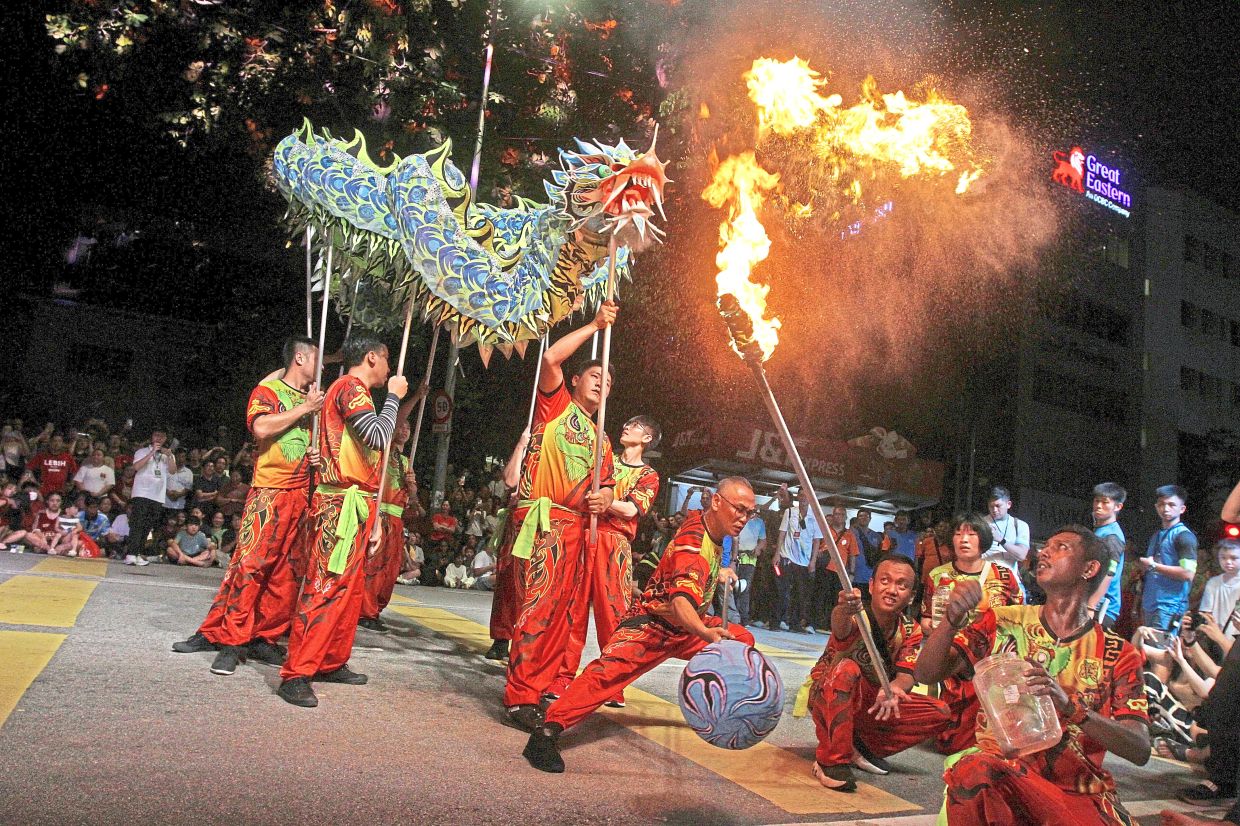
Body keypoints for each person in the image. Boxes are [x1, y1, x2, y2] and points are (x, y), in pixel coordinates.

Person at [916, 525, 1151, 825]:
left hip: (1076, 792)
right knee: (975, 768)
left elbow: (1140, 748)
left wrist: (1072, 709)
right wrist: (950, 622)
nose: (1044, 552)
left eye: (1061, 547)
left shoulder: (1119, 653)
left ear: (1089, 568)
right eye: (1046, 546)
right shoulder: (1002, 622)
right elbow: (926, 672)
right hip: (1005, 779)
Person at [522, 477, 757, 773]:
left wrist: (721, 570)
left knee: (741, 640)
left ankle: (714, 706)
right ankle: (545, 733)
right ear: (717, 502)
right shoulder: (692, 545)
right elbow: (681, 604)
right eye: (739, 509)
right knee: (604, 677)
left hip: (685, 628)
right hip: (653, 626)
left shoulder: (712, 527)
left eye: (750, 512)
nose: (744, 518)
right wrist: (706, 633)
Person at [173, 337, 327, 677]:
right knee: (250, 567)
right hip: (269, 493)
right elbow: (260, 428)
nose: (323, 366)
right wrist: (304, 409)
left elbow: (310, 444)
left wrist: (315, 454)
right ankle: (231, 640)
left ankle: (264, 636)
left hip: (302, 495)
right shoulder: (270, 393)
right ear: (300, 357)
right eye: (318, 358)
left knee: (287, 574)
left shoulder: (314, 400)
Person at [502, 303, 617, 731]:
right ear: (575, 382)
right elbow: (549, 358)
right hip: (543, 523)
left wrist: (604, 498)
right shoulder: (554, 409)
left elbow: (606, 483)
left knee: (562, 617)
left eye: (607, 381)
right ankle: (520, 697)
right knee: (537, 611)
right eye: (594, 375)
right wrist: (594, 325)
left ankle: (541, 686)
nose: (601, 383)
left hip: (576, 531)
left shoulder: (601, 438)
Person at [276, 333, 408, 707]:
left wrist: (377, 517)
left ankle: (331, 660)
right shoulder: (350, 387)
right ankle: (296, 673)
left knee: (349, 591)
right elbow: (379, 435)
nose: (389, 368)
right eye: (386, 360)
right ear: (371, 358)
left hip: (361, 504)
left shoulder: (354, 391)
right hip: (340, 507)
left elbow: (372, 461)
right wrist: (395, 395)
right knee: (326, 584)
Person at [808, 555, 955, 791]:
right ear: (872, 585)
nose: (892, 590)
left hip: (875, 699)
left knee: (939, 712)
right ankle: (830, 760)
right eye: (885, 581)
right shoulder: (856, 614)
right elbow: (841, 628)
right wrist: (843, 609)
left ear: (911, 596)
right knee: (847, 669)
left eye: (902, 585)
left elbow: (908, 674)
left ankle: (859, 745)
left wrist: (895, 688)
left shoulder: (911, 629)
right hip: (831, 693)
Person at [550, 414, 660, 704]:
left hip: (614, 544)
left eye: (635, 426)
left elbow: (632, 510)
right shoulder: (604, 458)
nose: (626, 426)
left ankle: (612, 683)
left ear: (647, 439)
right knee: (573, 609)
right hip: (586, 535)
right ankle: (562, 678)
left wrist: (606, 502)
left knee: (612, 614)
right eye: (626, 424)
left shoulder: (648, 475)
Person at [919, 513, 1024, 754]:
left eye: (971, 533)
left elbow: (1019, 619)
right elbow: (926, 617)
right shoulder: (938, 576)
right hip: (953, 660)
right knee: (951, 741)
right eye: (958, 533)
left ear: (983, 539)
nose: (964, 539)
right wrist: (937, 627)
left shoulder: (1005, 576)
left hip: (992, 661)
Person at [359, 411, 421, 632]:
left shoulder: (406, 461)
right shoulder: (383, 452)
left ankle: (375, 608)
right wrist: (416, 397)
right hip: (381, 514)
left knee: (391, 569)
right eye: (400, 426)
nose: (404, 430)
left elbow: (413, 501)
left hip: (397, 520)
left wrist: (412, 487)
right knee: (374, 564)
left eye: (408, 428)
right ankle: (366, 611)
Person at [484, 431, 531, 662]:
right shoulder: (528, 453)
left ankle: (528, 643)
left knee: (533, 588)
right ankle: (501, 638)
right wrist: (521, 446)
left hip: (545, 525)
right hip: (517, 524)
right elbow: (510, 481)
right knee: (507, 584)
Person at [1141, 485, 1198, 631]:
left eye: (1171, 505)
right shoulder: (1157, 535)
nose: (1165, 509)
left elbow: (1188, 573)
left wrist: (1154, 566)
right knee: (1147, 652)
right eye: (1161, 504)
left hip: (1170, 607)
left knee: (1161, 651)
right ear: (1156, 507)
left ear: (1182, 509)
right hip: (1150, 604)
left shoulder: (1184, 536)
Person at [124, 428, 175, 567]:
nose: (159, 438)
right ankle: (130, 554)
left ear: (165, 439)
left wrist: (170, 456)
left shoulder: (167, 454)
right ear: (152, 437)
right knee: (137, 524)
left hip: (157, 495)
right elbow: (136, 467)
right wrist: (152, 452)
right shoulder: (141, 451)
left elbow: (172, 470)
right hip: (142, 493)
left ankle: (138, 553)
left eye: (162, 436)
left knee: (148, 526)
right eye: (156, 435)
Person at [775, 489, 822, 633]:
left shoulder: (816, 517)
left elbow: (816, 541)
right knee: (782, 591)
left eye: (807, 496)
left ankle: (794, 623)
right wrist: (777, 554)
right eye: (801, 495)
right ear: (798, 497)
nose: (804, 498)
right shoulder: (790, 513)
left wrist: (813, 561)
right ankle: (776, 621)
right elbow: (782, 534)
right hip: (787, 556)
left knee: (799, 594)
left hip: (804, 561)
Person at [1089, 482, 1127, 628]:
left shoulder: (1112, 536)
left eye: (1105, 502)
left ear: (1118, 507)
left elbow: (1109, 573)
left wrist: (1091, 606)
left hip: (1102, 609)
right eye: (1096, 501)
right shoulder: (1100, 530)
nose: (1098, 506)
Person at [983, 486, 1031, 594]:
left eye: (998, 506)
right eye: (991, 506)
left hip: (1011, 583)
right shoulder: (981, 524)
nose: (994, 510)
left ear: (1008, 504)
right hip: (985, 580)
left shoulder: (1020, 525)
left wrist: (1001, 539)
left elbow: (1022, 555)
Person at [733, 509, 768, 627]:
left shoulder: (759, 522)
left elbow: (763, 541)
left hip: (749, 558)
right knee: (731, 587)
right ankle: (731, 616)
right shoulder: (737, 517)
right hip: (734, 556)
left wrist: (758, 548)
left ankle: (744, 618)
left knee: (744, 588)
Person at [1199, 539, 1240, 637]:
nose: (1228, 562)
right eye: (1223, 558)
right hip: (1218, 635)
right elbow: (1206, 612)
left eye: (1234, 558)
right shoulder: (1213, 583)